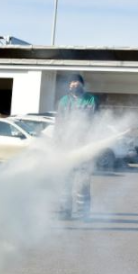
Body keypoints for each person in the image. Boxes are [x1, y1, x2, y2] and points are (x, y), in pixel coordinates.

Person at [56, 73, 99, 220]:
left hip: (84, 147)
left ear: (82, 84)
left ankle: (83, 213)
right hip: (67, 147)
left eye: (77, 82)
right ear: (68, 86)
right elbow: (59, 124)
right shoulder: (64, 101)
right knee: (65, 181)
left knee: (83, 183)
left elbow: (95, 122)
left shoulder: (91, 100)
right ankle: (64, 212)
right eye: (71, 82)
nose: (74, 84)